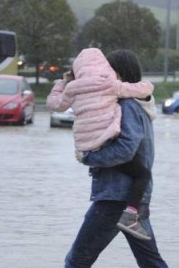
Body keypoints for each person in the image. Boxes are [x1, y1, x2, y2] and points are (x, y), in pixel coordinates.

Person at [55, 49, 179, 268]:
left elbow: (126, 148)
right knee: (153, 265)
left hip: (115, 199)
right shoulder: (140, 105)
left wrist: (89, 157)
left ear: (118, 73)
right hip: (133, 200)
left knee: (77, 261)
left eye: (109, 70)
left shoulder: (128, 106)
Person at [46, 47, 154, 240]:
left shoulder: (78, 90)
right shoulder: (118, 92)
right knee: (149, 258)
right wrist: (148, 87)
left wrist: (62, 82)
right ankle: (130, 215)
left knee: (80, 256)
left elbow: (54, 103)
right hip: (126, 196)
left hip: (113, 193)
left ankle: (130, 216)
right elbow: (142, 89)